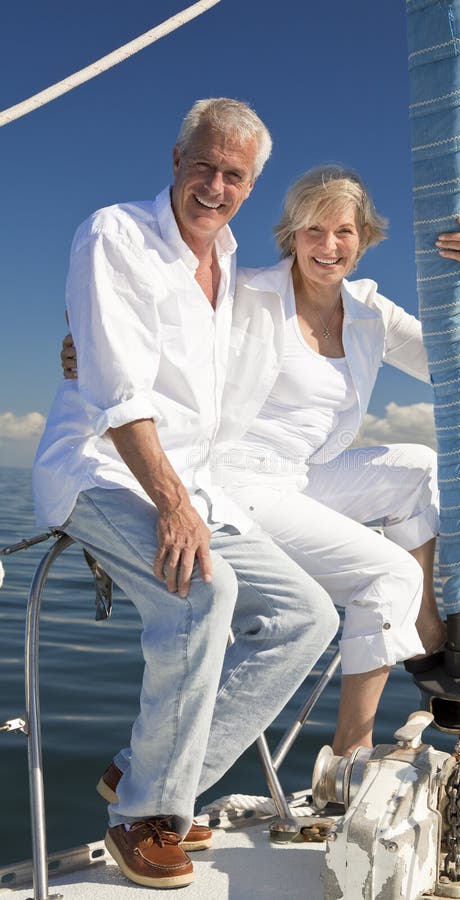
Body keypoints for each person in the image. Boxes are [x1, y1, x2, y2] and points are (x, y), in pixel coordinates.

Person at [61, 164, 460, 761]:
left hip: (301, 476)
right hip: (235, 477)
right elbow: (149, 314)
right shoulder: (247, 290)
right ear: (292, 235)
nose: (329, 245)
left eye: (344, 231)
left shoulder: (370, 312)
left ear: (364, 239)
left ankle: (424, 626)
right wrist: (83, 341)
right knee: (389, 573)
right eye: (313, 230)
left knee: (419, 466)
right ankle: (349, 755)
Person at [33, 99, 339, 890]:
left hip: (193, 484)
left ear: (251, 186)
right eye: (203, 165)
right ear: (175, 158)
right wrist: (171, 502)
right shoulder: (116, 234)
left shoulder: (234, 260)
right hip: (100, 469)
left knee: (310, 617)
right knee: (205, 591)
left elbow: (317, 283)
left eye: (233, 175)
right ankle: (142, 813)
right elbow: (115, 383)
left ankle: (155, 774)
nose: (214, 185)